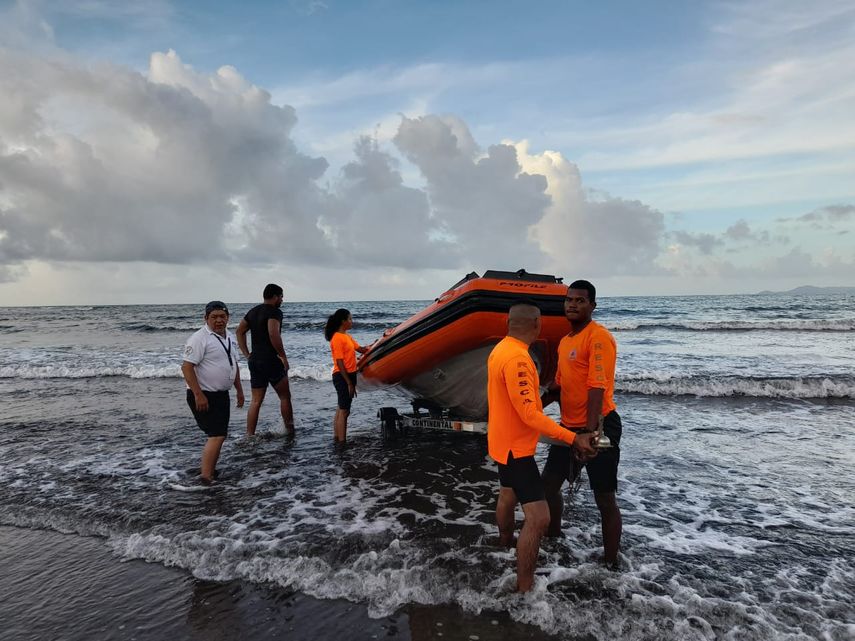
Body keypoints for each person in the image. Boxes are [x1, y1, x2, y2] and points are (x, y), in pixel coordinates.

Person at [487, 301, 597, 592]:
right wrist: (573, 437)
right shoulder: (519, 360)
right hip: (516, 450)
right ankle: (524, 589)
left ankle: (504, 545)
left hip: (501, 443)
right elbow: (529, 414)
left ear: (507, 324)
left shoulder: (500, 350)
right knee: (539, 518)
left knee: (507, 495)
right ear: (538, 325)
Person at [540, 280, 622, 568]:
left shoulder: (597, 337)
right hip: (569, 429)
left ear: (592, 305)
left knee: (604, 498)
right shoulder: (565, 342)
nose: (572, 305)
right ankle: (554, 536)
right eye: (569, 300)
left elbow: (597, 387)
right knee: (548, 488)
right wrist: (529, 409)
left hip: (599, 426)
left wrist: (590, 432)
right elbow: (559, 386)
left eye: (580, 300)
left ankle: (611, 563)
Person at [181, 301, 244, 484]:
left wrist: (239, 390)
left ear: (228, 317)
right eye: (214, 317)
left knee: (220, 434)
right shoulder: (199, 338)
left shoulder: (229, 336)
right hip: (204, 394)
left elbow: (234, 365)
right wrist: (198, 394)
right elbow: (187, 368)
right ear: (206, 318)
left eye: (222, 316)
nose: (219, 320)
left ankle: (210, 471)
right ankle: (206, 477)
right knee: (216, 435)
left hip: (221, 394)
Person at [235, 283, 294, 436]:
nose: (282, 300)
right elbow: (273, 334)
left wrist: (247, 354)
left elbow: (239, 331)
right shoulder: (275, 312)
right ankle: (290, 430)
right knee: (285, 397)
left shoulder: (253, 311)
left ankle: (249, 435)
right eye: (281, 296)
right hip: (270, 360)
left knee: (256, 401)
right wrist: (283, 356)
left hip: (255, 360)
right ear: (275, 296)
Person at [324, 308, 369, 443]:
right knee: (344, 411)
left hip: (349, 375)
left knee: (341, 408)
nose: (352, 321)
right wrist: (349, 383)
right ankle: (342, 443)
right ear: (343, 321)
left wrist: (377, 345)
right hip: (342, 376)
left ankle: (337, 438)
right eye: (350, 319)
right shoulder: (337, 338)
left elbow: (360, 349)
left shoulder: (347, 336)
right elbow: (339, 362)